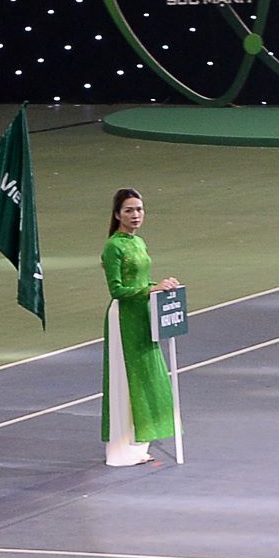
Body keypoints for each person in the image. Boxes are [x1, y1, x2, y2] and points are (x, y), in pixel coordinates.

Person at [99, 188, 180, 468]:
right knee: (127, 378)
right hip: (124, 320)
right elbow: (117, 290)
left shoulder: (139, 242)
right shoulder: (113, 247)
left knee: (147, 378)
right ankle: (121, 450)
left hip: (143, 316)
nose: (135, 215)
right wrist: (150, 290)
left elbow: (142, 280)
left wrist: (161, 286)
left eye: (139, 209)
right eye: (129, 210)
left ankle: (138, 444)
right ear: (117, 215)